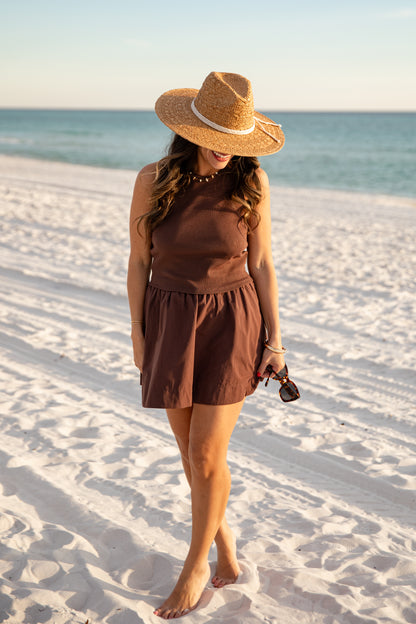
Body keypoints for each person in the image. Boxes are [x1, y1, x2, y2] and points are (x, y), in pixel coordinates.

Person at [127, 71, 287, 619]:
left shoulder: (252, 183)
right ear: (191, 130)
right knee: (190, 455)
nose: (224, 151)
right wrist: (138, 332)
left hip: (232, 321)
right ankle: (226, 551)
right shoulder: (153, 179)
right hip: (169, 318)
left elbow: (262, 264)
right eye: (215, 136)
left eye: (233, 140)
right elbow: (139, 262)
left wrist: (276, 341)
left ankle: (196, 566)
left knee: (205, 452)